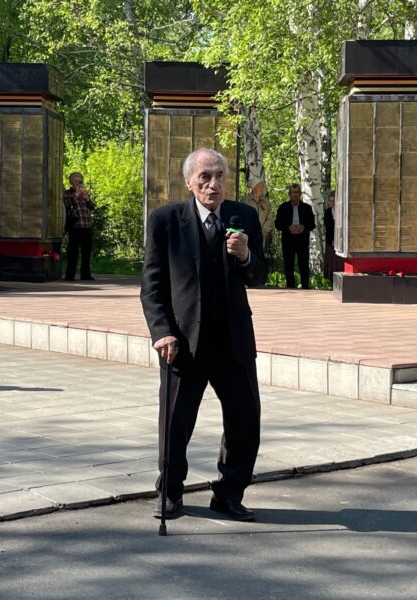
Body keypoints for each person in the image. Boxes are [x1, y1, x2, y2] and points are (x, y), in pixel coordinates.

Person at [141, 148, 268, 522]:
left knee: (245, 422)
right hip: (183, 343)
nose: (214, 184)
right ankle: (170, 492)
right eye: (205, 177)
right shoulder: (166, 221)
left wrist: (245, 256)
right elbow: (151, 285)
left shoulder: (243, 217)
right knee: (175, 423)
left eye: (220, 176)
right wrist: (162, 332)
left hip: (233, 341)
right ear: (189, 182)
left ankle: (229, 494)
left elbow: (259, 275)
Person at [275, 183, 316, 289]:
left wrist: (304, 227)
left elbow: (312, 224)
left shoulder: (307, 208)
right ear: (289, 194)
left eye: (297, 192)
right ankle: (290, 288)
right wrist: (288, 227)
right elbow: (277, 224)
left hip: (302, 240)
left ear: (300, 194)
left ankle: (305, 287)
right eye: (293, 192)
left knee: (304, 265)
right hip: (288, 240)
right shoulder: (283, 207)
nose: (295, 194)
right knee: (288, 265)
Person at [63, 171, 94, 281]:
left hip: (86, 225)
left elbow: (92, 206)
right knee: (73, 252)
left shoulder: (84, 193)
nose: (79, 183)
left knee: (86, 252)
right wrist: (76, 195)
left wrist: (86, 197)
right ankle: (70, 275)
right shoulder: (68, 193)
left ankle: (85, 274)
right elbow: (68, 204)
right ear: (71, 182)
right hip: (75, 226)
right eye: (76, 181)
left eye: (80, 181)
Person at [240, 176, 273, 255]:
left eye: (262, 186)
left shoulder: (266, 202)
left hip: (262, 236)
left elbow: (270, 219)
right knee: (248, 255)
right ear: (254, 188)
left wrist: (262, 231)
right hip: (248, 235)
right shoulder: (245, 200)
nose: (262, 188)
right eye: (260, 186)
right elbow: (241, 217)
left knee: (260, 255)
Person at [323, 190, 340, 283]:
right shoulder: (327, 212)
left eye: (334, 201)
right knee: (331, 262)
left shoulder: (342, 212)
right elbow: (328, 227)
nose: (332, 203)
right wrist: (333, 239)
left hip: (340, 241)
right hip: (330, 241)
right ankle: (330, 281)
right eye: (330, 201)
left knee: (339, 262)